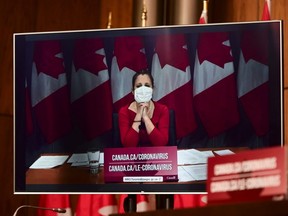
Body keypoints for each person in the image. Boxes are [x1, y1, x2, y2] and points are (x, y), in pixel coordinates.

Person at [118, 70, 169, 147]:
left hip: (156, 156)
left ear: (152, 89)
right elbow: (128, 145)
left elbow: (161, 143)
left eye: (147, 85)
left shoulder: (162, 110)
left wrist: (145, 117)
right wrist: (138, 114)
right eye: (138, 86)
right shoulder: (124, 111)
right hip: (132, 157)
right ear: (132, 91)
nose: (143, 90)